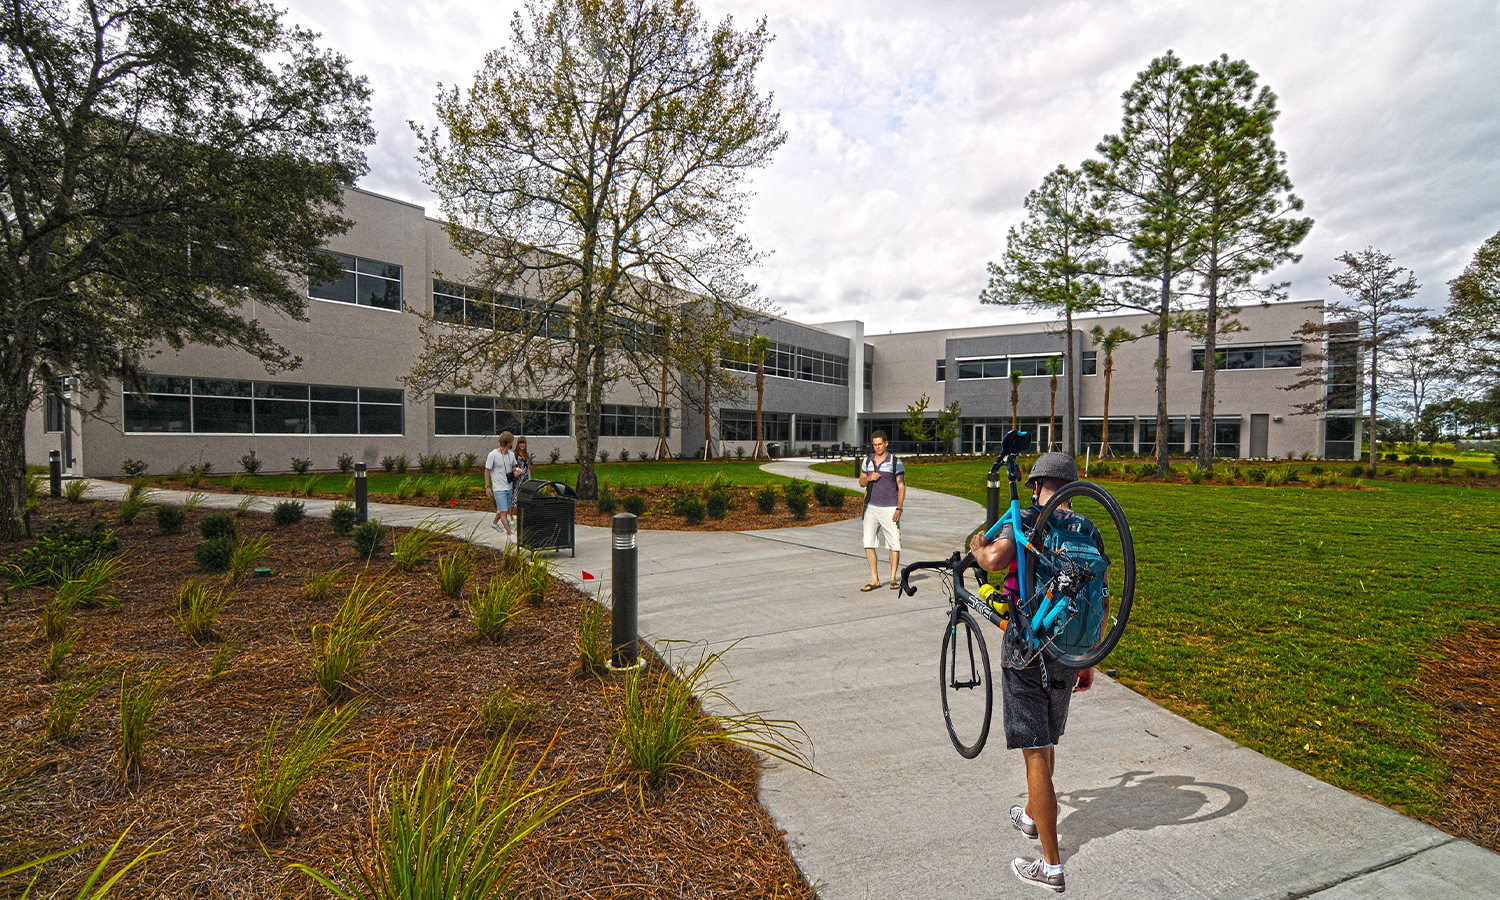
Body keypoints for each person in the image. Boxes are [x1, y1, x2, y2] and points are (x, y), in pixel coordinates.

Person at [967, 451, 1095, 894]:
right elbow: (1101, 592)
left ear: (1038, 484)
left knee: (1035, 750)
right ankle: (1029, 812)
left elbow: (994, 561)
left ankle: (1051, 865)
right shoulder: (1087, 529)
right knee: (1047, 739)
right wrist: (1088, 658)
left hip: (1027, 647)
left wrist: (977, 546)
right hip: (1069, 649)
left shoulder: (1027, 517)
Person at [858, 430, 905, 591]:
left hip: (890, 507)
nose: (877, 447)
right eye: (875, 444)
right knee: (868, 543)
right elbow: (861, 482)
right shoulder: (868, 461)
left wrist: (899, 508)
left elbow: (901, 486)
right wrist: (869, 478)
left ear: (886, 444)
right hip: (871, 507)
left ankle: (892, 579)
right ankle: (875, 579)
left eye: (880, 444)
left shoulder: (895, 462)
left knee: (894, 544)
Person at [484, 432, 518, 537]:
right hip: (499, 488)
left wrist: (516, 471)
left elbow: (513, 467)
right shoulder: (493, 455)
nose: (513, 442)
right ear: (508, 442)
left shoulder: (511, 455)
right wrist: (487, 487)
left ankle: (494, 524)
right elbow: (487, 470)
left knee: (502, 509)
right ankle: (510, 534)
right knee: (504, 512)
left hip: (509, 486)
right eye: (512, 441)